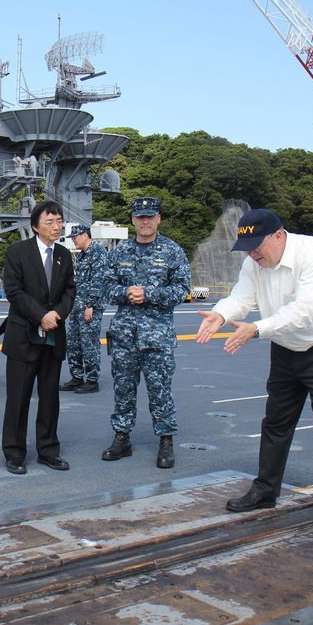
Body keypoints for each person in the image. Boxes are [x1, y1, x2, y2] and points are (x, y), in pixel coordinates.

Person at [196, 207, 313, 539]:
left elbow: (304, 311)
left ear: (279, 236)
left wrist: (255, 329)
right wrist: (219, 315)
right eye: (247, 248)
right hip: (286, 348)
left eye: (258, 246)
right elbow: (242, 298)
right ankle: (266, 490)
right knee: (276, 423)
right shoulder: (253, 262)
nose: (253, 254)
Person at [103, 196, 191, 469]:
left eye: (150, 217)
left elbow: (182, 290)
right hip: (125, 336)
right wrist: (126, 293)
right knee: (123, 390)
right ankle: (122, 437)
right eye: (140, 217)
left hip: (157, 337)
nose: (145, 221)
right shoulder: (119, 252)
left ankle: (165, 441)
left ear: (158, 219)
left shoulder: (172, 251)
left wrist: (149, 294)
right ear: (132, 220)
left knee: (160, 390)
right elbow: (105, 288)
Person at [0, 200, 76, 474]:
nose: (56, 227)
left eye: (59, 221)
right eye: (50, 222)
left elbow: (69, 289)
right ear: (35, 226)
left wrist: (58, 314)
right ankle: (14, 452)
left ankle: (48, 450)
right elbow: (14, 290)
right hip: (24, 336)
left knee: (50, 396)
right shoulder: (18, 251)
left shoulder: (64, 255)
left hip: (53, 335)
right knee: (17, 397)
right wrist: (41, 315)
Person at [59, 224, 111, 394]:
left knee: (89, 343)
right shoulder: (82, 255)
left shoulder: (98, 253)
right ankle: (77, 376)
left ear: (85, 235)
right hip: (77, 306)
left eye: (75, 237)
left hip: (89, 306)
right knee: (74, 342)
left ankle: (92, 379)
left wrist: (91, 305)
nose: (73, 240)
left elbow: (98, 281)